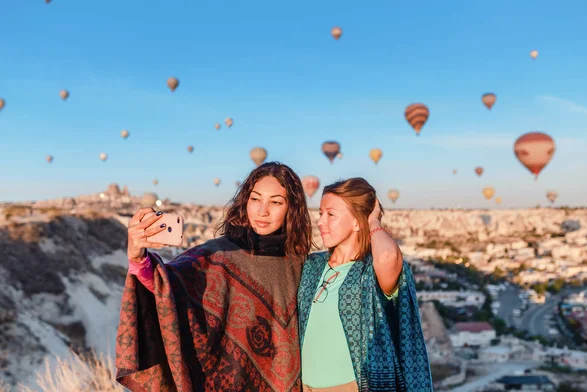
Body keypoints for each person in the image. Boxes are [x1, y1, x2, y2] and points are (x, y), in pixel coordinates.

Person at [115, 162, 313, 391]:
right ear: (245, 200)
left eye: (276, 202)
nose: (262, 211)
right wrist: (138, 258)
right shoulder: (218, 254)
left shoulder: (301, 265)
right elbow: (166, 287)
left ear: (292, 209)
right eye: (255, 199)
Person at [297, 178, 433, 392]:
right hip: (305, 386)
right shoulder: (313, 265)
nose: (321, 222)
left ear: (357, 222)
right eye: (321, 213)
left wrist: (374, 221)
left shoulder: (370, 272)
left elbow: (388, 255)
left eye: (331, 214)